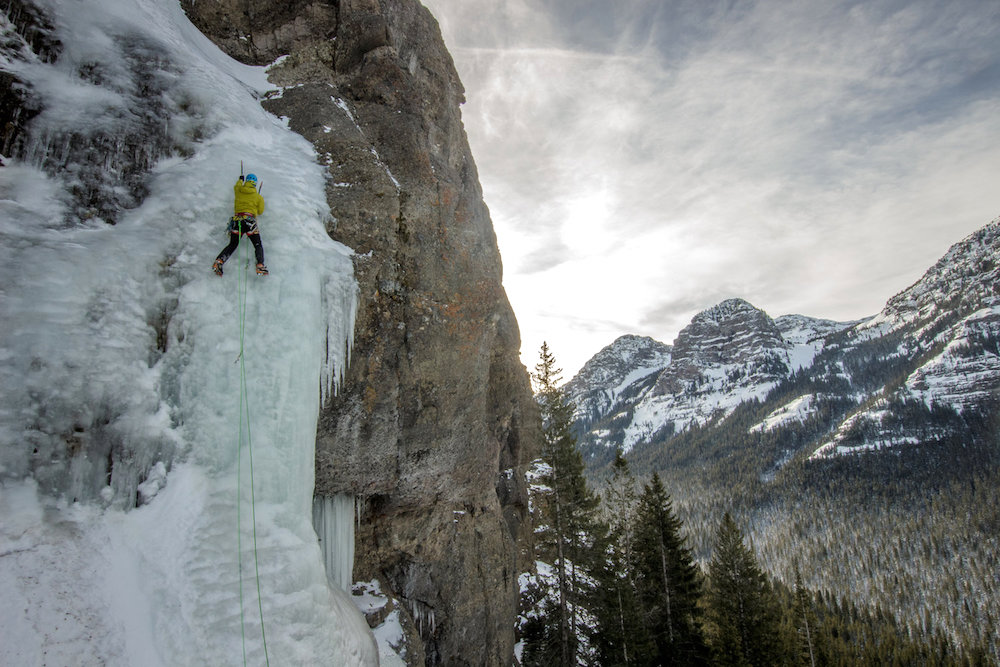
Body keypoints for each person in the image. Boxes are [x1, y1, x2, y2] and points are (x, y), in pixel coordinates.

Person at [212, 172, 268, 276]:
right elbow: (260, 211)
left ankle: (219, 261)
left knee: (233, 244)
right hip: (250, 222)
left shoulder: (239, 191)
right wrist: (256, 203)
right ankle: (260, 265)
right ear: (255, 184)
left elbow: (236, 186)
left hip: (237, 221)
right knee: (257, 244)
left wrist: (240, 180)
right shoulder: (258, 197)